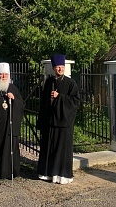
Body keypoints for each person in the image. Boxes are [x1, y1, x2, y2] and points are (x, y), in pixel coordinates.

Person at [37, 54, 80, 184]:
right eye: (57, 67)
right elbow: (43, 102)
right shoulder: (49, 82)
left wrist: (59, 96)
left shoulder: (70, 83)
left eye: (61, 67)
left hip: (63, 123)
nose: (59, 69)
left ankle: (62, 176)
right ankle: (47, 174)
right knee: (49, 148)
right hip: (50, 122)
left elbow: (75, 101)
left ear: (64, 68)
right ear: (53, 68)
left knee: (61, 150)